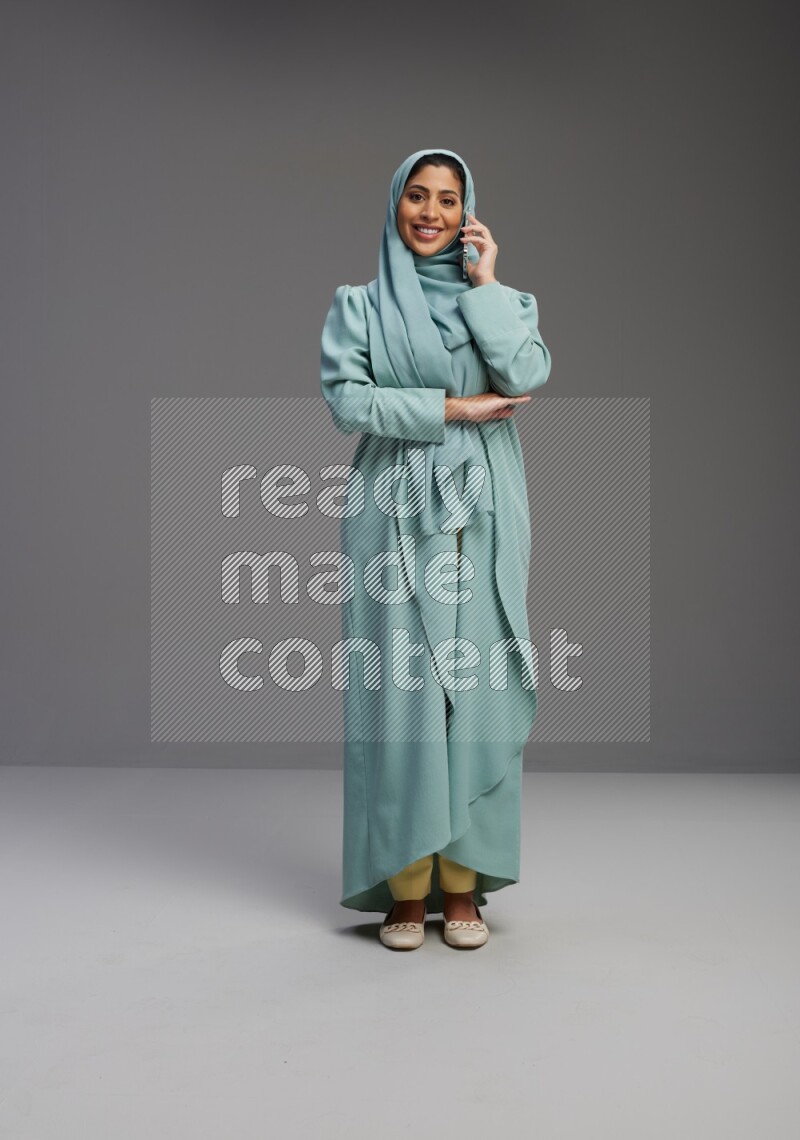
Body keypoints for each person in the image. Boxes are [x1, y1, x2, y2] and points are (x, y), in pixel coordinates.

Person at [319, 148, 551, 950]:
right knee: (401, 693)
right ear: (396, 205)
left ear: (467, 212)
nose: (431, 212)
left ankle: (465, 885)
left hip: (486, 508)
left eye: (448, 200)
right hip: (392, 505)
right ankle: (405, 886)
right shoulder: (359, 305)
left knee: (478, 684)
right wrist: (454, 409)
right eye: (417, 196)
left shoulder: (506, 301)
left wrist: (486, 284)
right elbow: (346, 402)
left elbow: (526, 373)